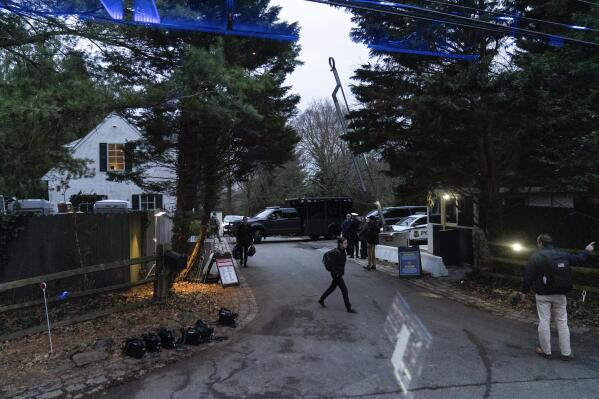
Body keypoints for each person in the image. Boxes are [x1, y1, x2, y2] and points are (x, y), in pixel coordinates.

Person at [521, 234, 595, 361]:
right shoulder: (562, 255)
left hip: (543, 295)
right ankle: (566, 353)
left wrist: (524, 291)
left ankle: (546, 351)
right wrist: (587, 250)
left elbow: (529, 276)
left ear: (540, 243)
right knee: (562, 322)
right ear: (551, 243)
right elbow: (579, 259)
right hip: (560, 294)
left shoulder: (537, 256)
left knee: (544, 321)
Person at [319, 237, 357, 313]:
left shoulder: (343, 251)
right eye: (345, 243)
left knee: (332, 288)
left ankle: (321, 299)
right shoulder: (336, 253)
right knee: (344, 290)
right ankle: (348, 308)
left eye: (346, 243)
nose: (346, 244)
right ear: (340, 244)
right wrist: (337, 273)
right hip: (336, 274)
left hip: (338, 273)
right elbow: (332, 264)